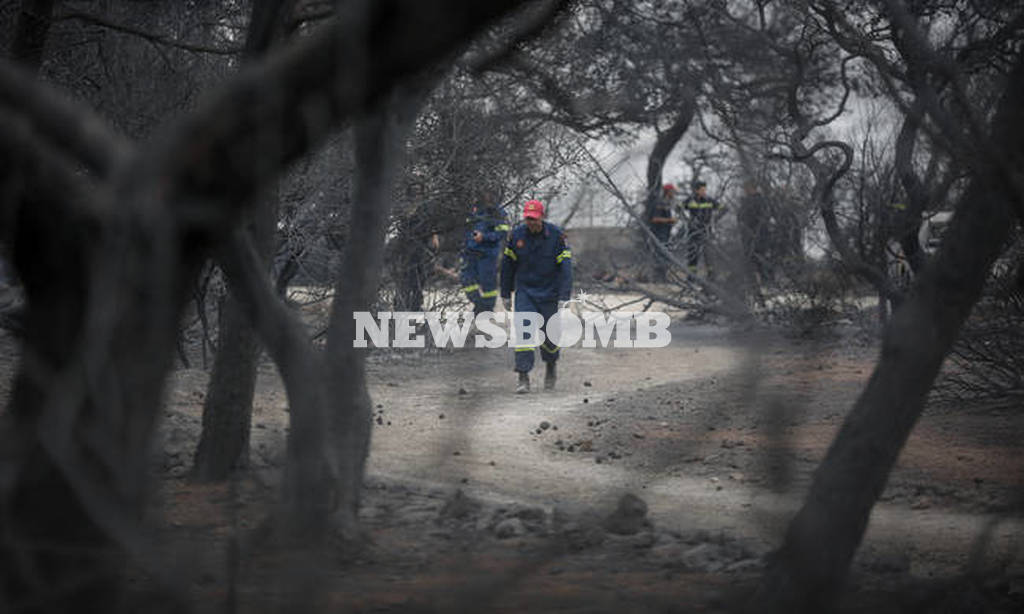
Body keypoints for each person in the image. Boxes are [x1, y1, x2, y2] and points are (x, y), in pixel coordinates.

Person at [500, 199, 573, 393]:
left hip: (550, 292)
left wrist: (564, 296)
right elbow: (507, 267)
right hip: (525, 292)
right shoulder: (516, 237)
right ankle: (523, 377)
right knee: (524, 332)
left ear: (542, 217)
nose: (531, 223)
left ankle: (551, 367)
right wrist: (505, 294)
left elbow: (566, 269)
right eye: (528, 219)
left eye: (534, 219)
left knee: (549, 336)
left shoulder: (557, 237)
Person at [459, 202, 509, 315]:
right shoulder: (470, 209)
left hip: (486, 255)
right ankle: (479, 306)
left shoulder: (496, 212)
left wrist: (484, 237)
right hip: (469, 254)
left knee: (488, 287)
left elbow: (502, 232)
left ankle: (487, 312)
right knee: (467, 281)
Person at [683, 179, 724, 276]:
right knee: (693, 255)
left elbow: (724, 208)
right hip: (693, 232)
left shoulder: (709, 200)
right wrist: (688, 220)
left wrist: (714, 220)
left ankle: (711, 276)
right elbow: (678, 207)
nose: (704, 192)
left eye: (705, 189)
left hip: (706, 231)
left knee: (708, 254)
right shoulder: (690, 200)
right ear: (696, 190)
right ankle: (691, 276)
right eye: (702, 190)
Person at [649, 183, 679, 281]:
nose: (674, 193)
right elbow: (655, 219)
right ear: (668, 192)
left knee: (665, 254)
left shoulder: (668, 203)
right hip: (659, 233)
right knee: (660, 254)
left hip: (666, 233)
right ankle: (658, 277)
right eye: (672, 191)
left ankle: (663, 277)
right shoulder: (659, 203)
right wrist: (670, 221)